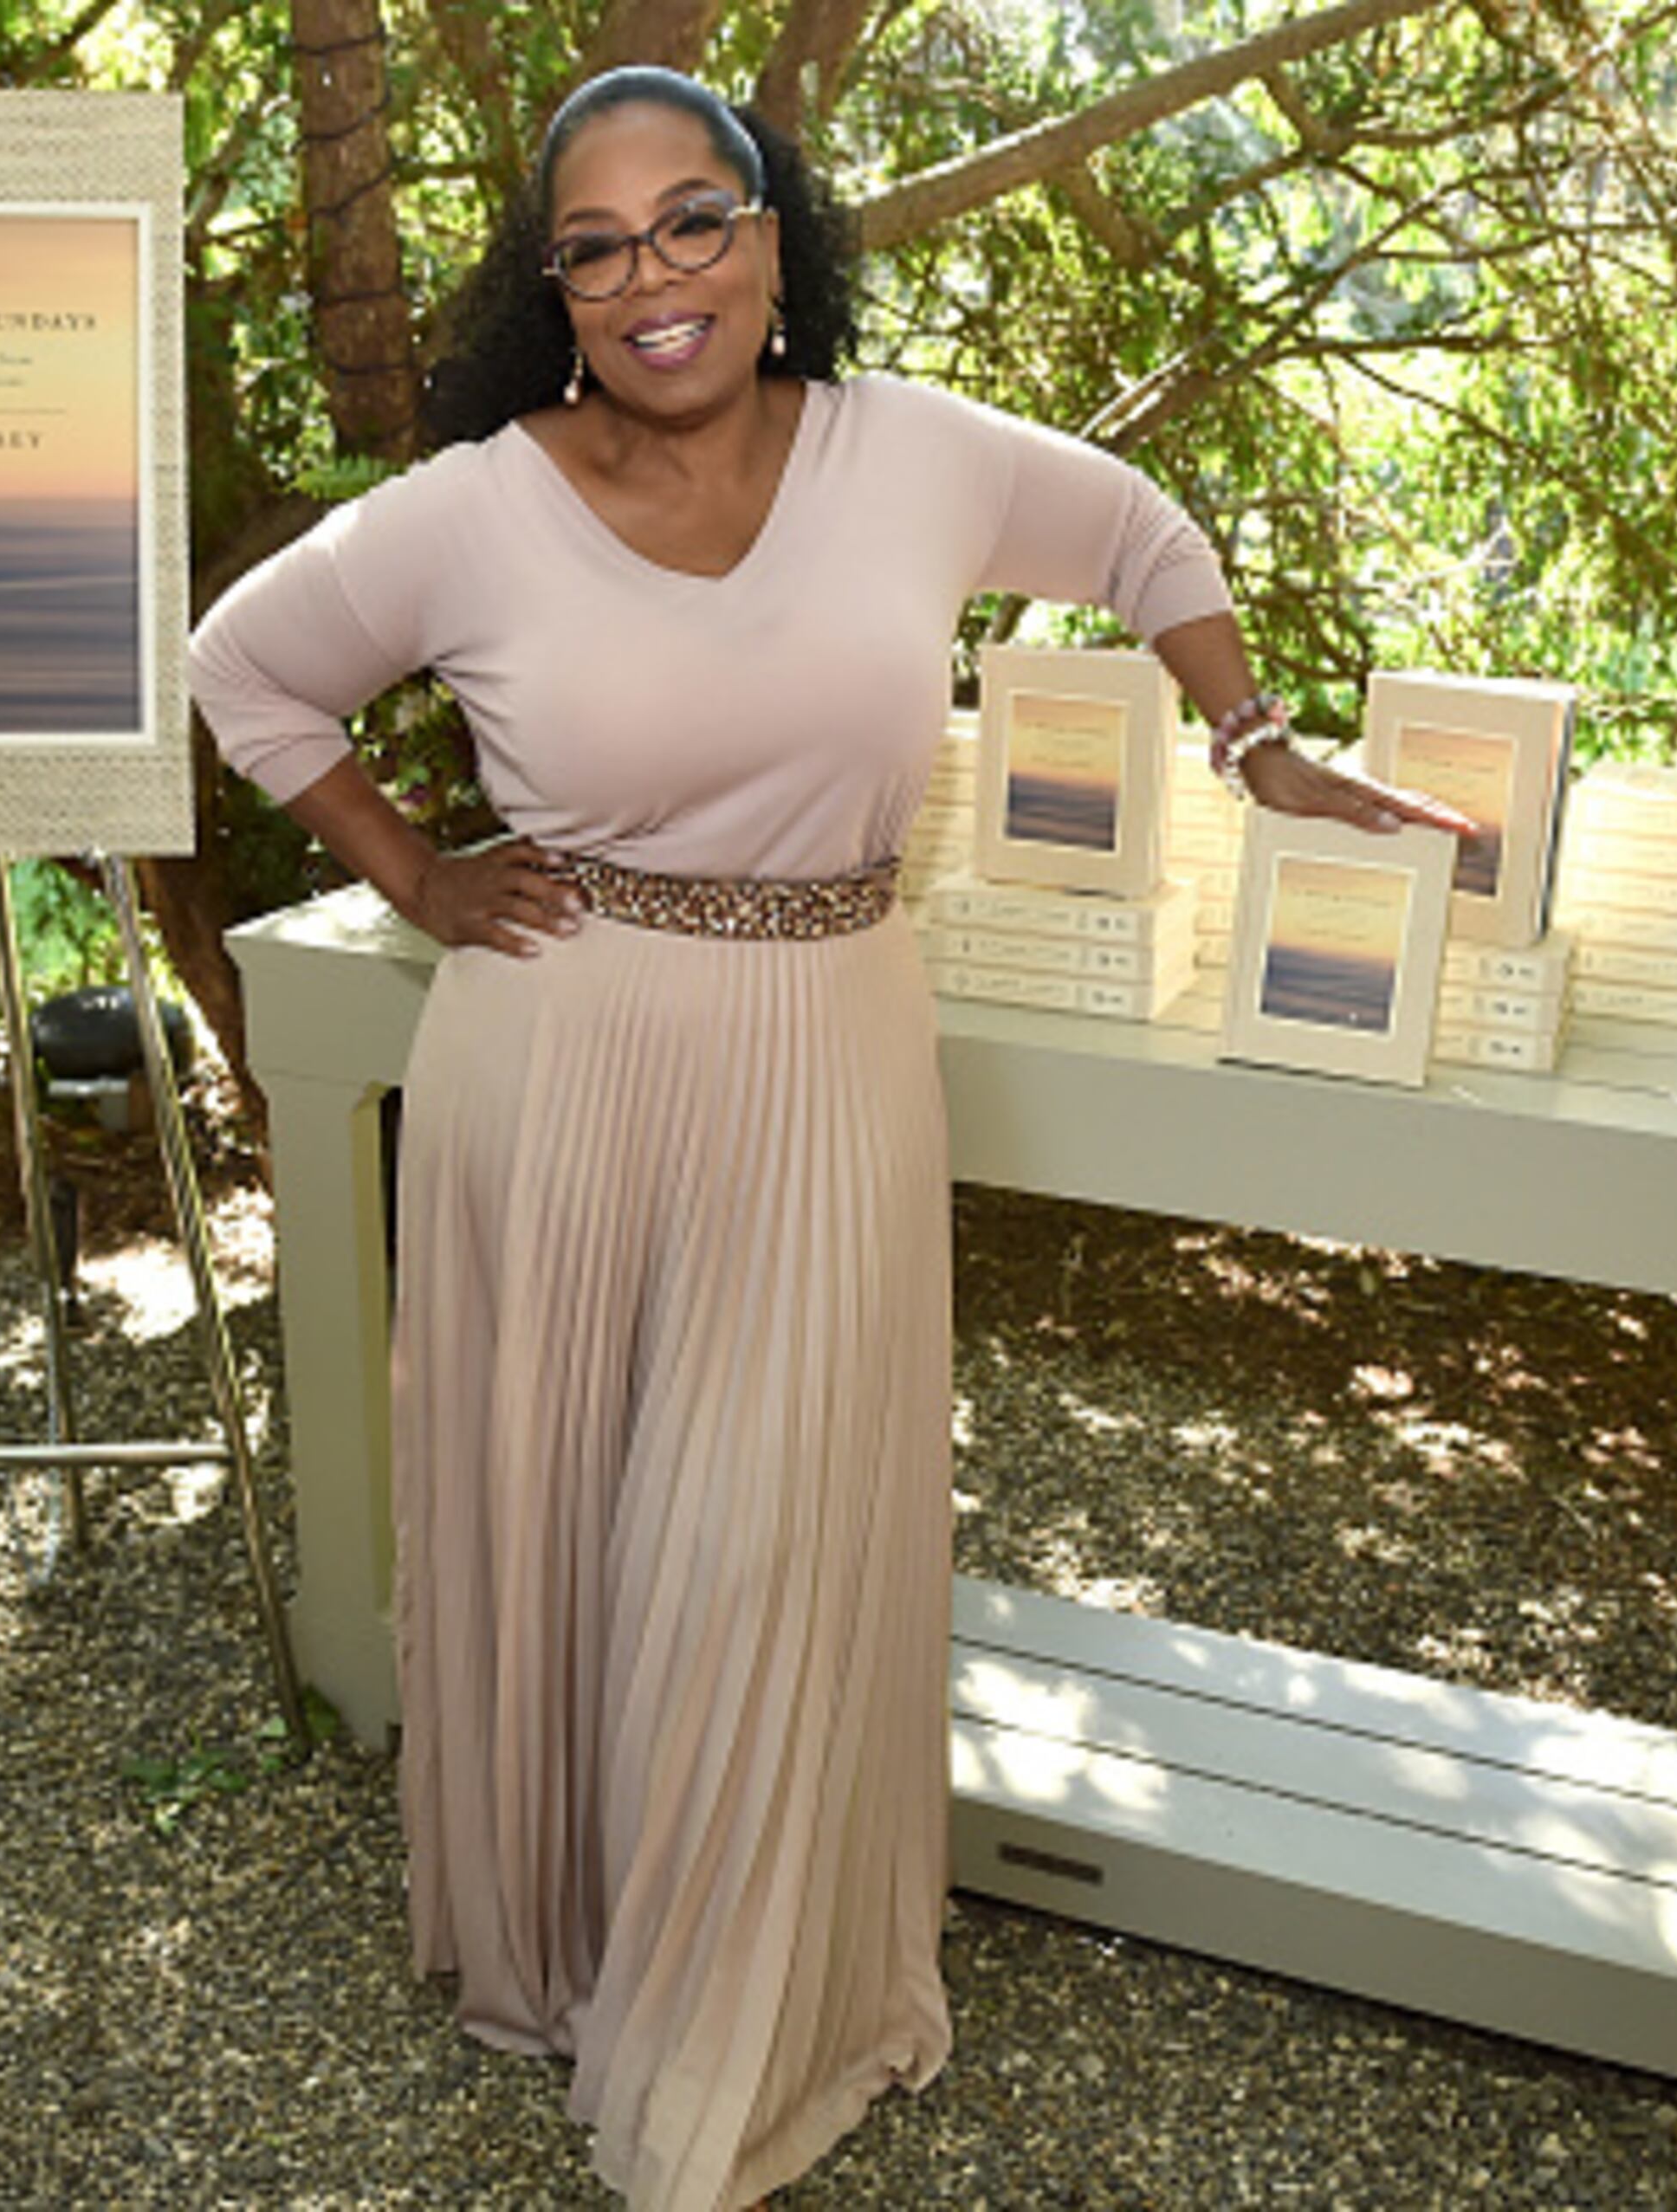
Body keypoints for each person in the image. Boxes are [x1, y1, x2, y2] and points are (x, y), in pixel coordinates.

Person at [189, 66, 1473, 2211]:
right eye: (593, 249)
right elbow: (246, 670)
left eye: (694, 220)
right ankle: (576, 1944)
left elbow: (1145, 535)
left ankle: (737, 2004)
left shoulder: (919, 458)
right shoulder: (480, 501)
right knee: (577, 1512)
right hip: (565, 1051)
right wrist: (418, 877)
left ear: (779, 234)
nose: (650, 278)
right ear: (557, 290)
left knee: (754, 1537)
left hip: (833, 1045)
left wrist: (1253, 735)